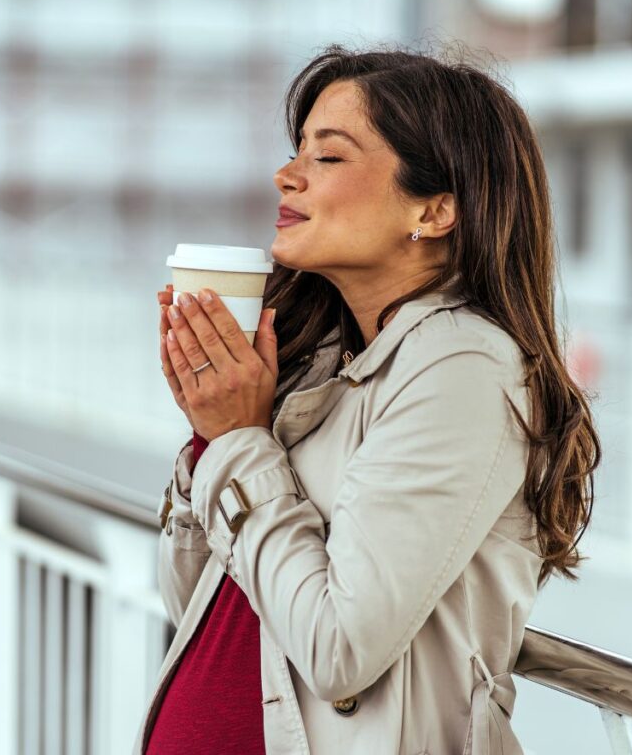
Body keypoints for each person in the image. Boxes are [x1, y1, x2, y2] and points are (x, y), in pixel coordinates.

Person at [135, 42, 601, 755]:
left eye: (327, 157)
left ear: (435, 210)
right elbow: (203, 604)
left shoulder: (463, 364)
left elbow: (338, 650)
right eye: (297, 152)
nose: (285, 176)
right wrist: (211, 435)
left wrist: (236, 442)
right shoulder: (327, 363)